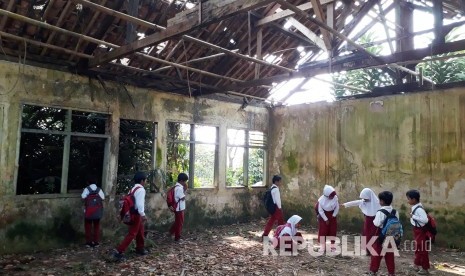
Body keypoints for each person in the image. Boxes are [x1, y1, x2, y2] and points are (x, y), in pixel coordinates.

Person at [113, 172, 148, 260]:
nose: (146, 181)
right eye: (145, 180)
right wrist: (143, 215)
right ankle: (119, 252)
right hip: (136, 214)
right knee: (132, 233)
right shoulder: (141, 190)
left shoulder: (132, 189)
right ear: (142, 181)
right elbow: (140, 204)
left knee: (140, 231)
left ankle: (140, 248)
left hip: (132, 213)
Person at [368, 191, 397, 276]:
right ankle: (391, 273)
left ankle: (373, 271)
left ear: (382, 201)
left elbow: (376, 223)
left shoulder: (380, 212)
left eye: (379, 200)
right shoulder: (395, 211)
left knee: (376, 253)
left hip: (380, 235)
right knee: (389, 254)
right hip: (391, 234)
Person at [406, 189, 430, 275]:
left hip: (420, 231)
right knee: (418, 248)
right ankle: (417, 264)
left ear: (414, 200)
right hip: (417, 230)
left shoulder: (419, 209)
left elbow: (425, 220)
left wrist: (414, 216)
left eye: (408, 199)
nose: (407, 201)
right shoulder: (415, 207)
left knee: (422, 249)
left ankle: (425, 268)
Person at [81, 175, 105, 248]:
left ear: (88, 182)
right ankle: (96, 242)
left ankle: (88, 242)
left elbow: (83, 197)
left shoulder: (86, 189)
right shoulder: (99, 190)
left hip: (88, 211)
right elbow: (103, 198)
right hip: (97, 212)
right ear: (96, 182)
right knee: (96, 227)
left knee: (88, 226)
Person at [317, 185, 339, 251]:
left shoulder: (335, 198)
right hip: (324, 217)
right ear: (327, 196)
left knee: (333, 230)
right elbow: (320, 210)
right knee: (323, 231)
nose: (332, 197)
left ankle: (332, 246)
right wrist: (325, 219)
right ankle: (322, 246)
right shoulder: (321, 201)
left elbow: (337, 207)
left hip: (332, 216)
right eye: (331, 196)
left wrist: (334, 215)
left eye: (333, 196)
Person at [262, 175, 285, 240]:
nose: (280, 183)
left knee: (274, 221)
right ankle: (280, 234)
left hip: (273, 207)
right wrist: (280, 208)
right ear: (276, 182)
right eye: (280, 181)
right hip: (277, 208)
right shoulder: (276, 190)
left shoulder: (271, 188)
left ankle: (267, 234)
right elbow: (278, 200)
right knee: (279, 222)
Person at [169, 173, 188, 242]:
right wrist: (185, 189)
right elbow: (182, 198)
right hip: (179, 208)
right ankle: (177, 237)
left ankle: (171, 232)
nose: (185, 183)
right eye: (185, 181)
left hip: (177, 208)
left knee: (177, 222)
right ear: (182, 181)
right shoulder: (179, 188)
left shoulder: (175, 187)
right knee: (179, 223)